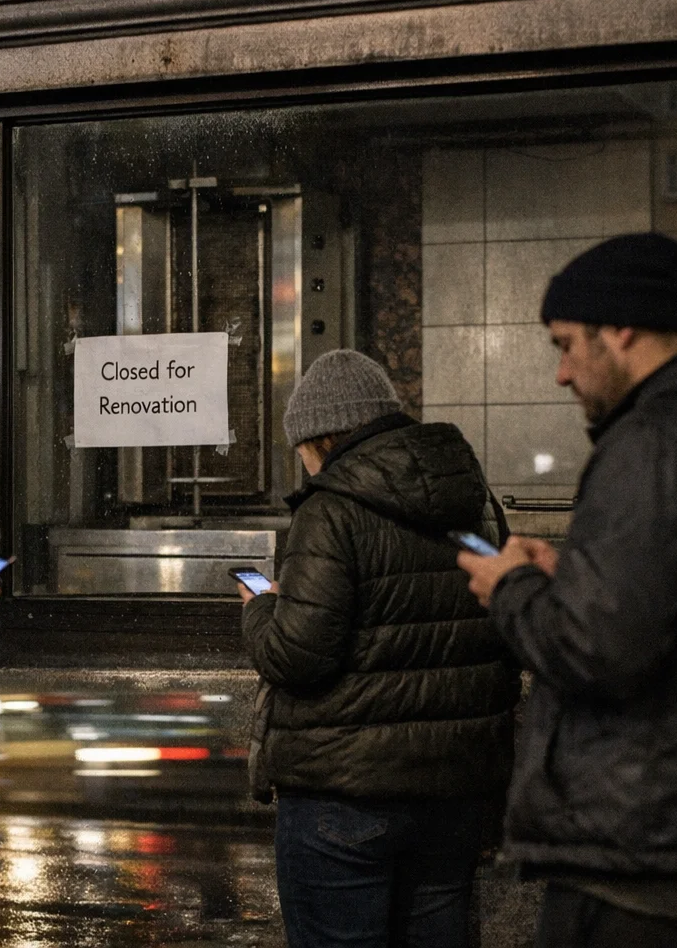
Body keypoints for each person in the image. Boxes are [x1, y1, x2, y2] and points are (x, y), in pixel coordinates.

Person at [457, 232, 677, 948]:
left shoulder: (656, 442)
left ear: (620, 330)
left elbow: (598, 650)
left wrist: (513, 588)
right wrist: (576, 580)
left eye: (567, 344)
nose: (562, 374)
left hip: (645, 860)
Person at [238, 349, 520, 948]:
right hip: (455, 785)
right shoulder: (476, 500)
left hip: (345, 792)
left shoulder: (332, 511)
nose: (306, 467)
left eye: (304, 451)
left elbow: (297, 656)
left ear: (323, 436)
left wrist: (261, 608)